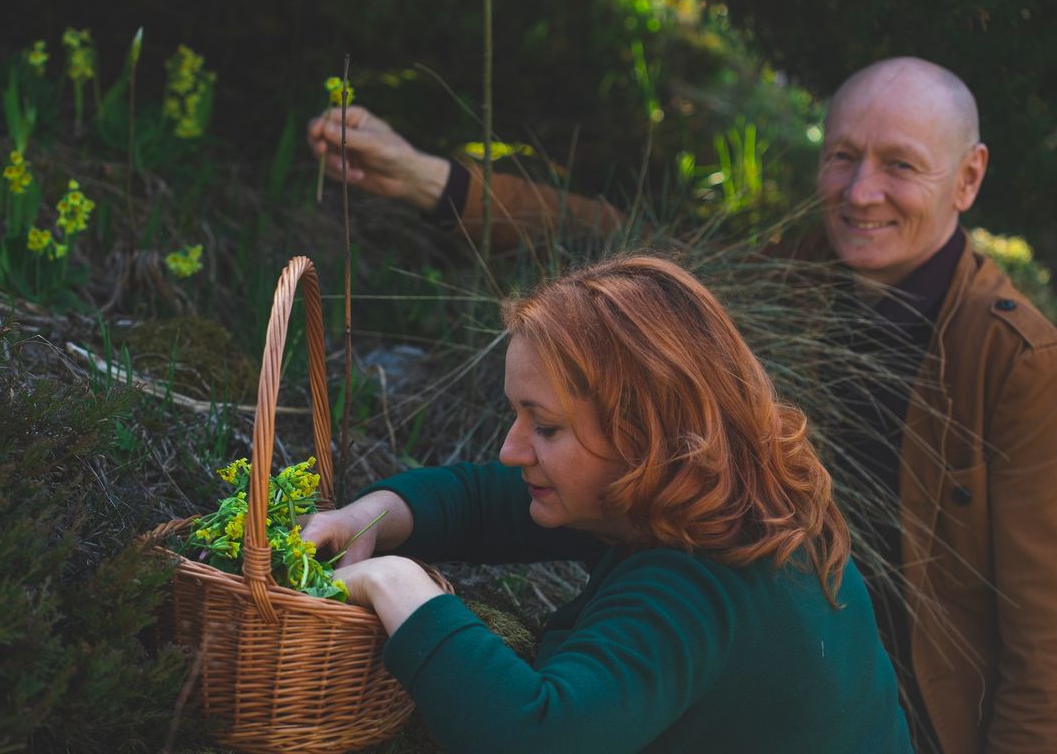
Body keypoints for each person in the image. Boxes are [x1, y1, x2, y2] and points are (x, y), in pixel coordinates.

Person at [308, 56, 1057, 752]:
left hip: (932, 719)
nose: (861, 191)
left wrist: (397, 582)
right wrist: (434, 182)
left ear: (968, 178)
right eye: (841, 157)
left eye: (899, 165)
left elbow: (1045, 642)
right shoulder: (743, 425)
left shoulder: (1022, 365)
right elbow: (618, 256)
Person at [303, 254, 911, 753]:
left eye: (545, 427)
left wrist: (398, 584)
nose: (512, 450)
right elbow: (486, 500)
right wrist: (368, 516)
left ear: (641, 437)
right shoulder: (717, 494)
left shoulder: (696, 582)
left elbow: (532, 735)